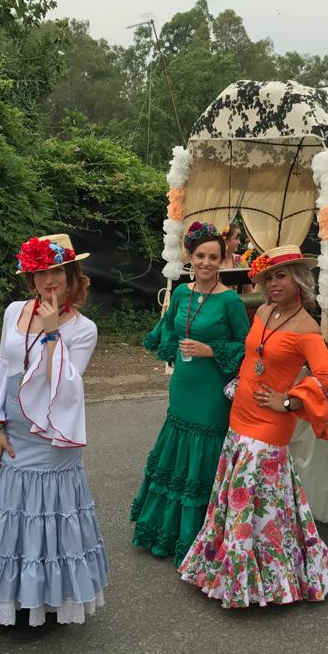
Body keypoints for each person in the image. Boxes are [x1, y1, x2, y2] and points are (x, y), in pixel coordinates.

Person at [179, 245, 328, 608]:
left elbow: (325, 376)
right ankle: (228, 573)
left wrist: (288, 401)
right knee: (241, 499)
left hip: (270, 424)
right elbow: (253, 355)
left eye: (280, 276)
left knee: (259, 503)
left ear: (299, 279)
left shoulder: (306, 328)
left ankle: (267, 583)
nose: (272, 284)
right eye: (268, 277)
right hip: (240, 414)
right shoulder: (264, 312)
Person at [0, 234, 107, 635]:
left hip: (50, 435)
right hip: (13, 428)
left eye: (58, 271)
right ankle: (13, 600)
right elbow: (1, 366)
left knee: (47, 515)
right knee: (14, 512)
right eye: (41, 271)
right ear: (31, 277)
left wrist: (49, 333)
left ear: (71, 276)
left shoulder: (83, 330)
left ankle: (45, 603)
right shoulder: (13, 311)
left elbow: (60, 384)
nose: (50, 280)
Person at [130, 221, 250, 565]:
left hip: (212, 390)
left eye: (214, 256)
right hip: (183, 383)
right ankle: (164, 531)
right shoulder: (181, 293)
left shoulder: (230, 301)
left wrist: (211, 350)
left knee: (203, 454)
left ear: (223, 259)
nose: (207, 263)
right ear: (190, 257)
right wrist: (171, 346)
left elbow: (247, 346)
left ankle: (201, 536)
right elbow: (168, 327)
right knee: (176, 449)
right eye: (200, 256)